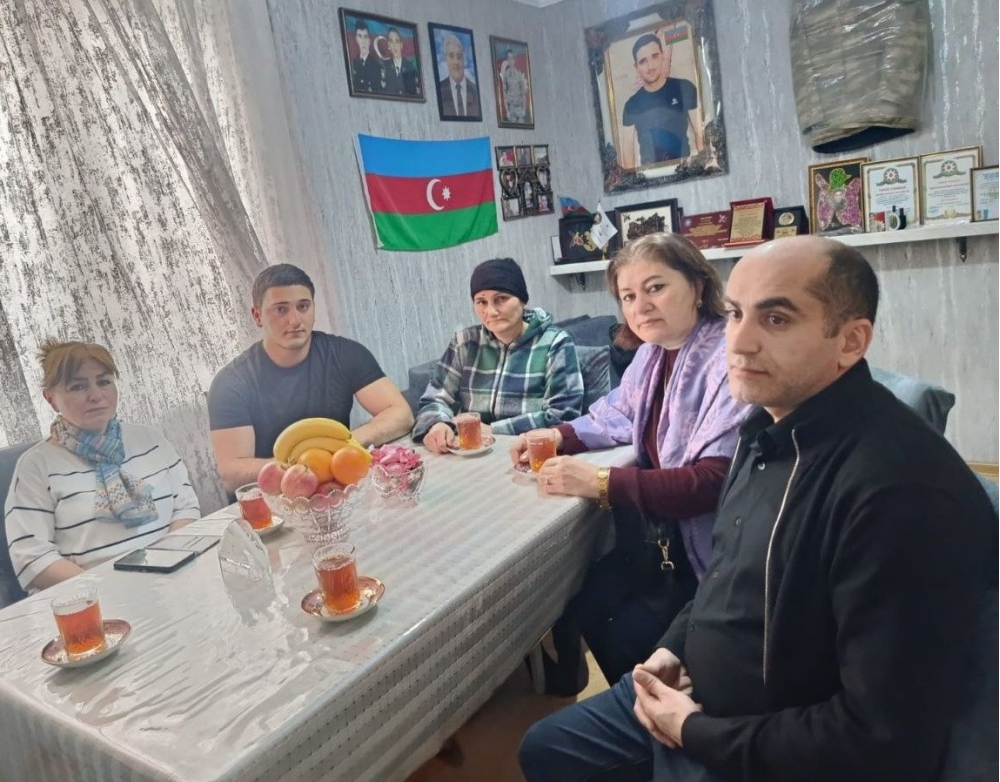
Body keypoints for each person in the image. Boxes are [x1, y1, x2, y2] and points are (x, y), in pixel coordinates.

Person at [519, 235, 996, 782]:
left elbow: (881, 736)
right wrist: (673, 649)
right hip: (701, 688)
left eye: (775, 319)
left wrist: (693, 731)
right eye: (736, 314)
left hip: (761, 737)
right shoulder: (765, 428)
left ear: (850, 340)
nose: (738, 344)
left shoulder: (900, 493)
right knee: (545, 748)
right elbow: (725, 572)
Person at [510, 233, 747, 693]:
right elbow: (618, 412)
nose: (641, 306)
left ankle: (666, 702)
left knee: (616, 621)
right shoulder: (653, 354)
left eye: (656, 287)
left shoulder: (728, 358)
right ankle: (634, 700)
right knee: (578, 602)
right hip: (660, 537)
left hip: (714, 553)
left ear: (698, 286)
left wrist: (601, 482)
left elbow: (712, 482)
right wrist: (558, 436)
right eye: (628, 296)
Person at [4, 340, 200, 592]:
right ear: (51, 399)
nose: (95, 395)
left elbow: (186, 506)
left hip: (174, 581)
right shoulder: (35, 466)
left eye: (104, 382)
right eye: (78, 386)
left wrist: (168, 566)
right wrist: (107, 588)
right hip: (94, 598)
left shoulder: (151, 440)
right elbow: (32, 556)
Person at [208, 264, 413, 493]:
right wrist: (303, 467)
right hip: (272, 500)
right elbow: (231, 473)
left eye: (303, 306)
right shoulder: (232, 382)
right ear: (257, 316)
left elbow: (401, 414)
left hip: (340, 489)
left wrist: (346, 446)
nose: (295, 320)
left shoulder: (345, 354)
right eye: (281, 310)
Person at [414, 258, 584, 453]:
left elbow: (564, 416)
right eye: (481, 302)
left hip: (529, 451)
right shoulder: (465, 343)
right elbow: (434, 399)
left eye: (501, 299)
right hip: (472, 451)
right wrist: (437, 424)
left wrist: (494, 430)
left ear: (522, 300)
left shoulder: (555, 342)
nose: (491, 311)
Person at [620, 33, 704, 169]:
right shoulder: (632, 105)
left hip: (685, 170)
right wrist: (634, 179)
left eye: (654, 56)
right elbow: (627, 148)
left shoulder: (684, 88)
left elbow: (700, 133)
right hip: (650, 175)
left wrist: (703, 168)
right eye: (643, 61)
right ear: (636, 67)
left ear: (663, 56)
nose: (650, 66)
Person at [437, 34, 480, 118]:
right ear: (446, 59)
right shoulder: (440, 90)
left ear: (463, 59)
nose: (456, 62)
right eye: (451, 56)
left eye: (459, 56)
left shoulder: (475, 90)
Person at [381, 26, 419, 96]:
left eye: (397, 41)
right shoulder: (384, 66)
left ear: (401, 45)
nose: (394, 45)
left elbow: (414, 93)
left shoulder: (410, 67)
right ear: (388, 45)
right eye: (391, 41)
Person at [350, 20, 381, 94]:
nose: (363, 41)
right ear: (356, 39)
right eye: (360, 36)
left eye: (365, 37)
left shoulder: (377, 66)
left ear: (369, 40)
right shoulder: (353, 65)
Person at [499, 48, 530, 123]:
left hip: (519, 106)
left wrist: (523, 108)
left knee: (521, 123)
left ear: (514, 60)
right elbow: (504, 92)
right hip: (511, 106)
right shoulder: (506, 75)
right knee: (512, 121)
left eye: (512, 58)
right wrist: (507, 110)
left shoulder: (519, 75)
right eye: (509, 58)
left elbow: (523, 93)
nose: (511, 60)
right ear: (507, 60)